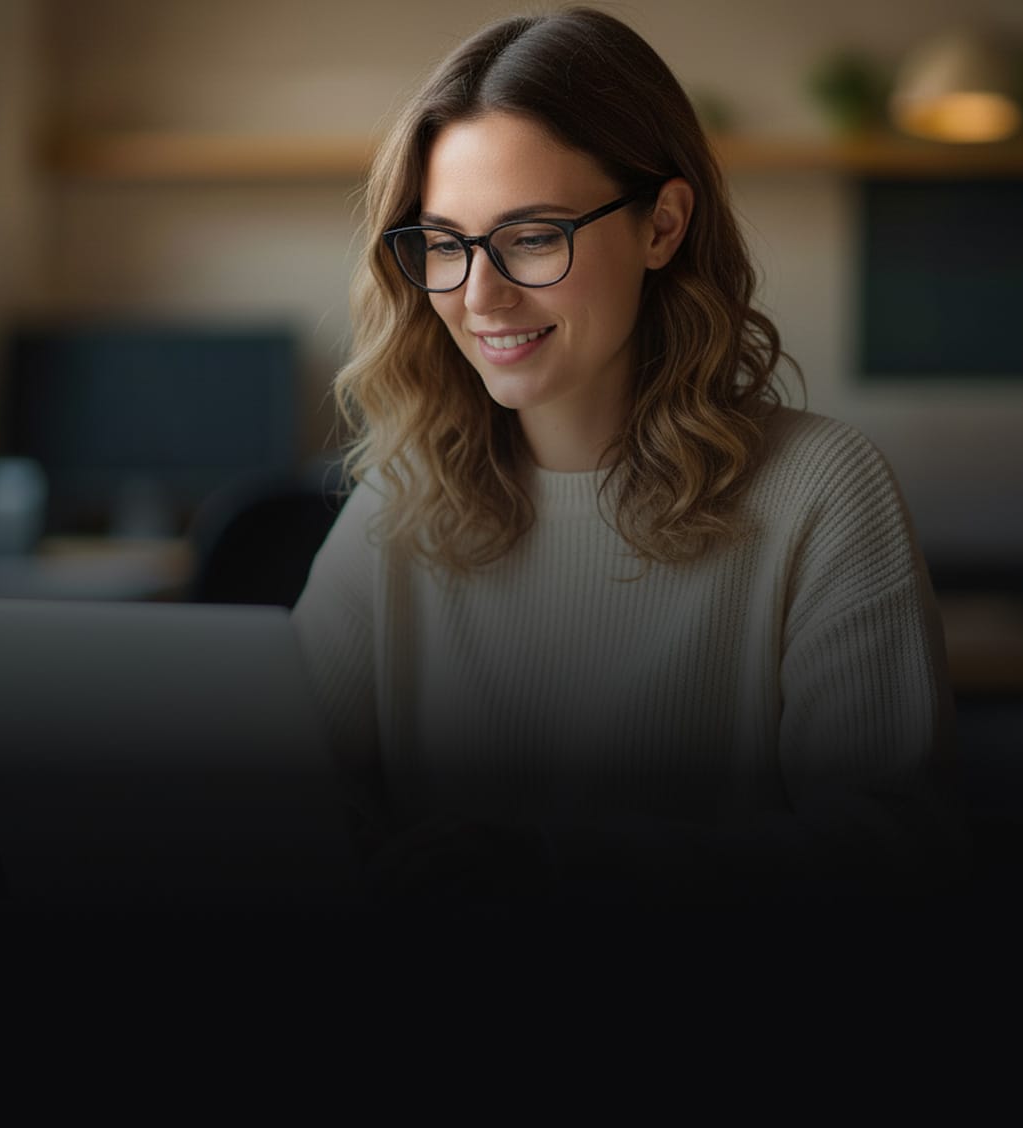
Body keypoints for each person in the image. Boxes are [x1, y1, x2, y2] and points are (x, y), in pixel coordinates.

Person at [290, 7, 962, 915]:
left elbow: (893, 853)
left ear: (663, 225)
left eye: (533, 237)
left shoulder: (820, 491)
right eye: (445, 245)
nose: (479, 297)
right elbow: (280, 799)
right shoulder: (398, 503)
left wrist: (552, 866)